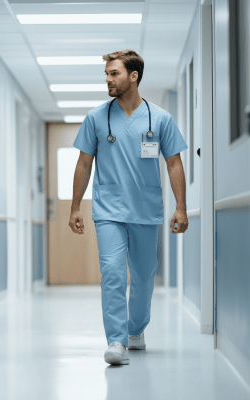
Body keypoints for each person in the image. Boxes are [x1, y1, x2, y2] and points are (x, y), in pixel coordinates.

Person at [68, 49, 189, 366]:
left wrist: (181, 207)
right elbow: (83, 163)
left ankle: (136, 331)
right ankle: (116, 340)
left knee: (145, 275)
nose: (108, 79)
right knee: (111, 274)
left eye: (114, 73)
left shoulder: (159, 118)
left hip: (145, 210)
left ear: (133, 76)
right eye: (106, 74)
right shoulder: (97, 118)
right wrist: (75, 207)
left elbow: (174, 163)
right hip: (108, 211)